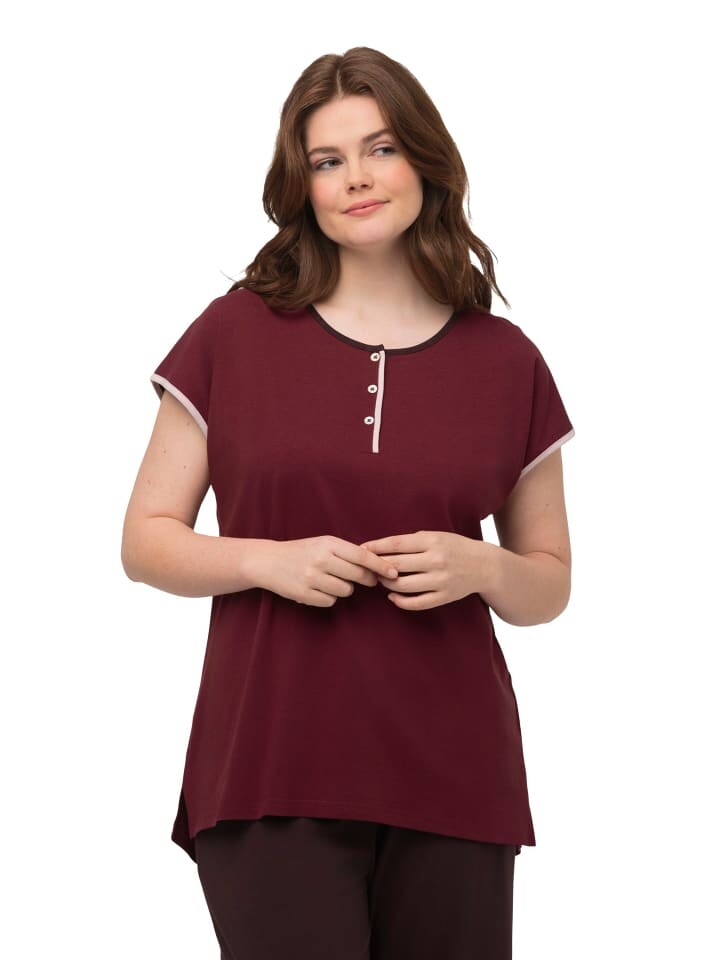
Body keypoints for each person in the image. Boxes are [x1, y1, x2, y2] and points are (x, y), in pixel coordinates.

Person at [121, 45, 575, 960]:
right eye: (328, 160)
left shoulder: (507, 361)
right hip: (270, 767)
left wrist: (481, 565)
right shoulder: (234, 332)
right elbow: (145, 540)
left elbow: (549, 583)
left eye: (381, 149)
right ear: (303, 186)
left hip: (457, 775)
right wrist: (265, 560)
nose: (357, 178)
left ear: (426, 162)